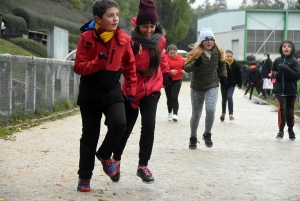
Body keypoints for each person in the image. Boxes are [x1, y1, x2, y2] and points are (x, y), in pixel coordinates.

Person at [73, 0, 137, 192]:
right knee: (89, 136)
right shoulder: (86, 37)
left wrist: (131, 89)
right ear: (98, 19)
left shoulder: (124, 39)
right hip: (90, 92)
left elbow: (130, 66)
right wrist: (97, 64)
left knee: (120, 124)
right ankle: (84, 177)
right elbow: (78, 67)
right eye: (110, 15)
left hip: (112, 91)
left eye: (116, 15)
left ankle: (104, 154)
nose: (115, 18)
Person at [112, 0, 170, 184]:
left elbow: (162, 58)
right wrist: (131, 52)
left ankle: (142, 166)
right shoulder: (129, 41)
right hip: (131, 88)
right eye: (145, 26)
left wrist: (167, 73)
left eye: (152, 26)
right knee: (125, 128)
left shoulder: (159, 40)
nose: (149, 30)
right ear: (138, 25)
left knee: (149, 125)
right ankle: (116, 159)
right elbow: (122, 64)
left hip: (152, 88)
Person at [184, 28, 227, 149]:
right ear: (202, 41)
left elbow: (222, 64)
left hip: (212, 85)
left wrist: (223, 76)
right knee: (196, 114)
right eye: (206, 39)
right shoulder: (196, 52)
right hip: (197, 86)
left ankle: (207, 134)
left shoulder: (218, 51)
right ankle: (193, 136)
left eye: (211, 39)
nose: (209, 42)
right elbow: (186, 68)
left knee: (211, 109)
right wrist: (195, 64)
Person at [271, 40, 300, 140]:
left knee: (289, 112)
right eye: (284, 46)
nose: (286, 48)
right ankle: (280, 131)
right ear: (281, 49)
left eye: (288, 46)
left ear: (292, 49)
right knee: (281, 110)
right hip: (280, 91)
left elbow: (297, 76)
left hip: (290, 91)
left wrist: (285, 68)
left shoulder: (295, 61)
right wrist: (275, 74)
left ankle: (290, 130)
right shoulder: (277, 60)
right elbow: (273, 71)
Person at [165, 44, 185, 122]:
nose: (173, 55)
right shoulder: (165, 58)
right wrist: (170, 71)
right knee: (169, 98)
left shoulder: (180, 59)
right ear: (168, 53)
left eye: (174, 53)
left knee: (174, 97)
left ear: (177, 52)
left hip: (178, 80)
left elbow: (185, 67)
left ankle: (175, 114)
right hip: (168, 80)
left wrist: (184, 70)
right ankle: (169, 112)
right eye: (171, 53)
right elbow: (162, 69)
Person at [220, 50, 242, 121]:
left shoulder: (236, 64)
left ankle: (231, 114)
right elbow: (218, 72)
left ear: (233, 56)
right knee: (224, 99)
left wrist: (239, 83)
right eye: (227, 56)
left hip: (232, 84)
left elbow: (239, 74)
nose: (229, 58)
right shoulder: (222, 63)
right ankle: (223, 113)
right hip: (223, 84)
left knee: (229, 97)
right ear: (224, 56)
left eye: (230, 56)